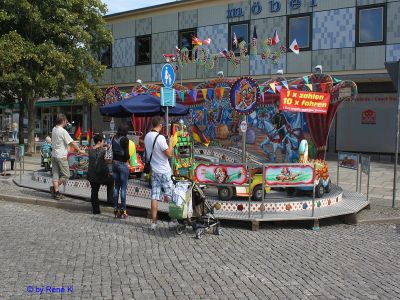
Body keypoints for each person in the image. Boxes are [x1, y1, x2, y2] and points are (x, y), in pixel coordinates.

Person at [144, 116, 175, 230]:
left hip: (154, 170)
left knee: (154, 196)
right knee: (169, 195)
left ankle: (154, 223)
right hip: (164, 171)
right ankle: (173, 220)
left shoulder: (147, 136)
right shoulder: (160, 138)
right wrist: (170, 142)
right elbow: (169, 154)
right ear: (161, 125)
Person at [51, 114, 85, 200]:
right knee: (66, 175)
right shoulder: (63, 131)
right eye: (66, 121)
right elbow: (72, 142)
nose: (67, 122)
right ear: (63, 121)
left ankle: (56, 192)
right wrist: (80, 150)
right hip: (61, 156)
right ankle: (55, 189)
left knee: (55, 174)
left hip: (54, 155)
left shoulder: (54, 129)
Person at [87, 134, 114, 214]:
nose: (103, 142)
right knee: (111, 180)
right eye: (102, 141)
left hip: (91, 175)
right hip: (101, 176)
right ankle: (110, 200)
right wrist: (109, 148)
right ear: (99, 141)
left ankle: (96, 210)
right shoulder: (103, 150)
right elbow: (108, 160)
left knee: (94, 191)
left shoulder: (90, 150)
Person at [112, 123, 130, 219]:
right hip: (122, 164)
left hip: (114, 164)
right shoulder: (125, 139)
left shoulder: (114, 138)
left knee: (116, 187)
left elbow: (113, 151)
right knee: (123, 188)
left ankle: (115, 209)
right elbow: (126, 155)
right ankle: (123, 210)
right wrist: (128, 157)